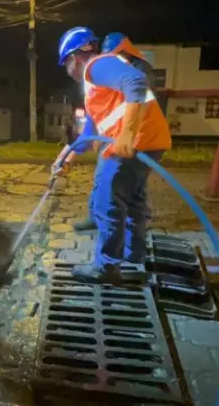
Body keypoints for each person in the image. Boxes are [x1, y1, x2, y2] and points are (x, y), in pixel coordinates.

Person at [52, 26, 171, 285]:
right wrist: (66, 158)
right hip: (150, 141)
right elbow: (90, 133)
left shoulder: (97, 66)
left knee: (109, 203)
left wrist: (127, 135)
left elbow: (136, 82)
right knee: (134, 200)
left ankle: (106, 268)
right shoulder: (98, 85)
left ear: (74, 57)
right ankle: (133, 257)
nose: (67, 71)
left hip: (131, 143)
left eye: (65, 64)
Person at [71, 31, 158, 232]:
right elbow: (94, 118)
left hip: (135, 138)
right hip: (112, 136)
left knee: (129, 185)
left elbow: (137, 96)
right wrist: (70, 154)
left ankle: (133, 224)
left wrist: (127, 134)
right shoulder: (105, 71)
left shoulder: (139, 70)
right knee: (102, 180)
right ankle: (98, 217)